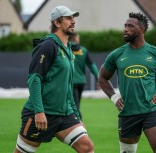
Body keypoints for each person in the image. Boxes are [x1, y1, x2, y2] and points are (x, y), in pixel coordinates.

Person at [13, 6, 94, 153]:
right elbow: (34, 79)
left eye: (73, 18)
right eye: (68, 18)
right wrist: (39, 112)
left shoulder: (68, 48)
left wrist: (76, 115)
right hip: (41, 113)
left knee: (86, 147)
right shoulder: (47, 45)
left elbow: (68, 86)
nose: (73, 21)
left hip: (64, 114)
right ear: (57, 23)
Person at [99, 12, 156, 153]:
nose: (125, 29)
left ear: (141, 30)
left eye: (130, 26)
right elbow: (102, 77)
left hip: (151, 111)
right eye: (125, 26)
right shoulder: (117, 54)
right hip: (128, 113)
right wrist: (114, 97)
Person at [69, 33, 99, 120]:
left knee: (74, 106)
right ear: (75, 39)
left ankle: (78, 125)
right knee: (76, 104)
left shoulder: (65, 48)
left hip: (70, 82)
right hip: (81, 82)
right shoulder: (83, 50)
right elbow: (92, 66)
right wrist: (98, 79)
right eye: (78, 38)